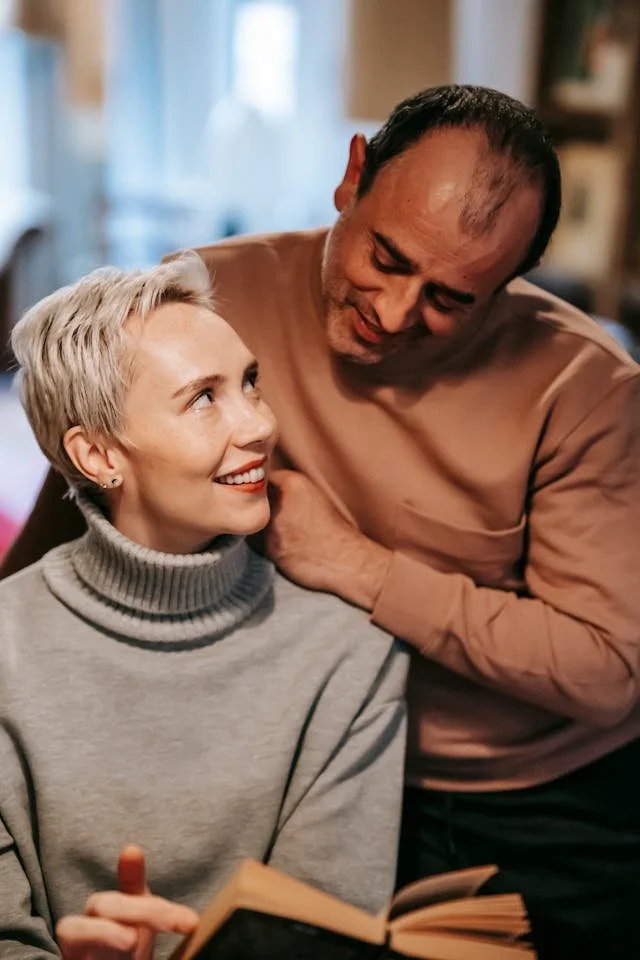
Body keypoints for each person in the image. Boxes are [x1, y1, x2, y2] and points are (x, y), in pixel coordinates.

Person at [3, 84, 640, 958]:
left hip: (535, 795)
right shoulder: (218, 294)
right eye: (386, 257)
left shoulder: (589, 389)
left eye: (451, 300)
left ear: (508, 286)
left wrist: (360, 567)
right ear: (353, 177)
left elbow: (607, 669)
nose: (393, 311)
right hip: (321, 754)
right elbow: (77, 499)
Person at [0, 255, 408, 960]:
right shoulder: (7, 645)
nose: (259, 425)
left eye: (250, 383)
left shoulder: (351, 654)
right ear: (97, 456)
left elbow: (321, 941)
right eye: (204, 398)